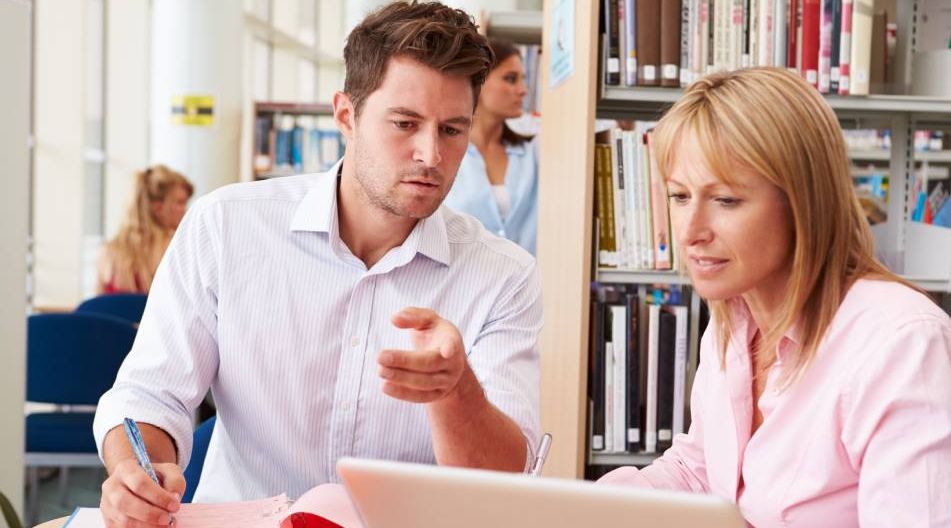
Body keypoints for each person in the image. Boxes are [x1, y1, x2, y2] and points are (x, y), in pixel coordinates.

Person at [93, 2, 542, 527]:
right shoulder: (225, 227)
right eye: (405, 123)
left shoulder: (504, 275)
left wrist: (456, 390)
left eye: (451, 130)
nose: (430, 155)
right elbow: (150, 394)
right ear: (346, 116)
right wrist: (137, 475)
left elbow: (505, 482)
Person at [597, 67, 951, 526]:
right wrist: (585, 505)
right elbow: (702, 470)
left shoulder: (901, 345)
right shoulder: (732, 323)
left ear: (802, 202)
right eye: (680, 196)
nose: (690, 232)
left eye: (725, 200)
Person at [442, 38, 539, 254]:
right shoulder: (444, 153)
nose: (523, 90)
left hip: (527, 281)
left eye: (524, 80)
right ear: (480, 82)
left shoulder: (533, 152)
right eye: (511, 79)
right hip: (462, 281)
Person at [96, 165, 193, 294]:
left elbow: (98, 307)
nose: (185, 210)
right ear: (158, 207)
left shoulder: (107, 252)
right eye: (180, 202)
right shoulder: (177, 248)